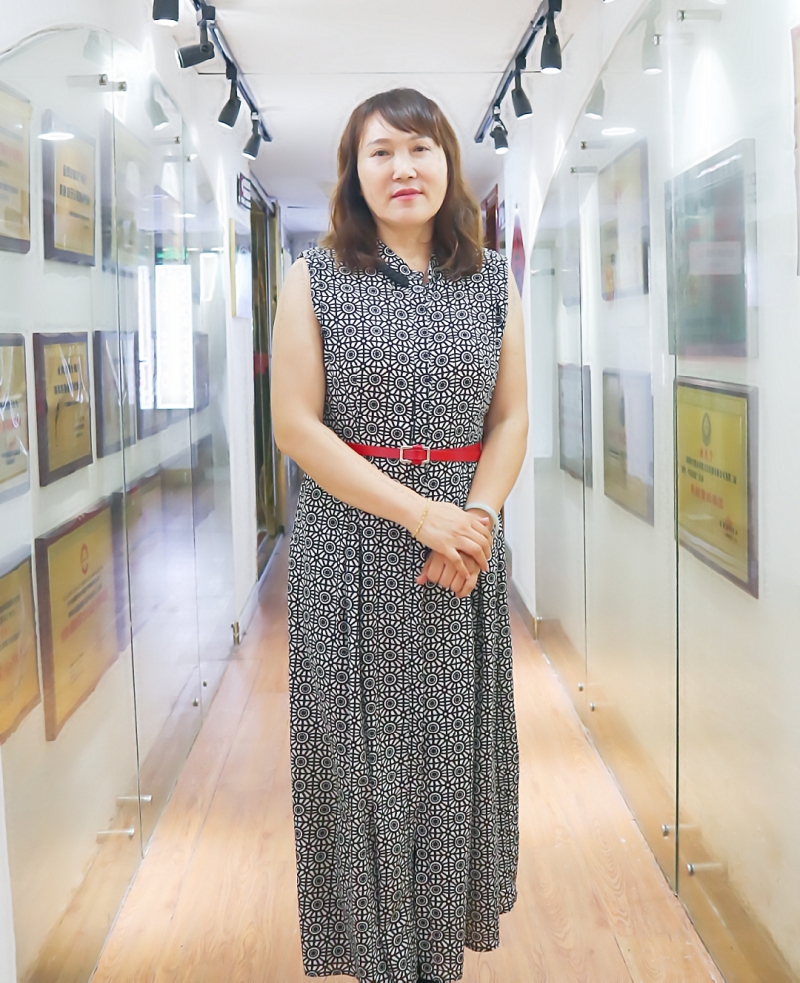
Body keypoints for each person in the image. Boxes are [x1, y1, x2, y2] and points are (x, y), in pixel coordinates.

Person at [271, 87, 528, 983]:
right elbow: (296, 427)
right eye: (379, 152)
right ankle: (378, 956)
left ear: (448, 163)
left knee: (449, 757)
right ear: (354, 173)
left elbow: (511, 416)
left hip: (462, 554)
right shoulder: (313, 277)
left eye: (419, 149)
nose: (403, 168)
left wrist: (477, 521)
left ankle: (435, 952)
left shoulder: (490, 280)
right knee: (361, 759)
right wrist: (422, 514)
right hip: (349, 550)